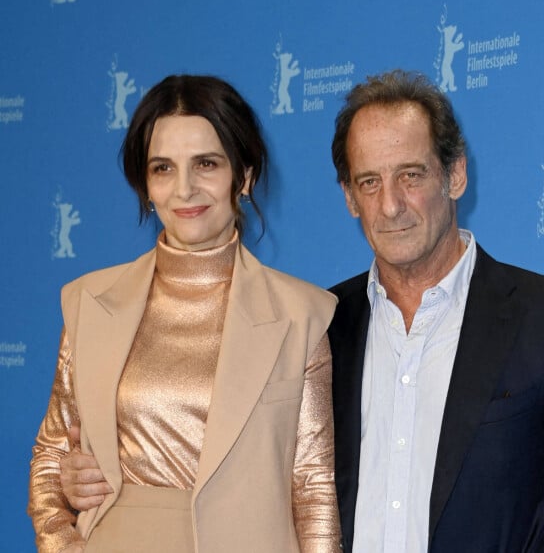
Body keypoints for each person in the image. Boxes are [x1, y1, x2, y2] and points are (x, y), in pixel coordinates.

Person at [28, 74, 341, 553]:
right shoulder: (90, 302)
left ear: (245, 175)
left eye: (206, 164)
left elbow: (313, 488)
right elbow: (51, 457)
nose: (185, 189)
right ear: (145, 184)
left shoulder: (301, 316)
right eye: (163, 168)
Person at [328, 70, 544, 552]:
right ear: (349, 197)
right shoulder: (321, 325)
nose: (391, 205)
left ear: (455, 174)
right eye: (369, 182)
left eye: (410, 175)